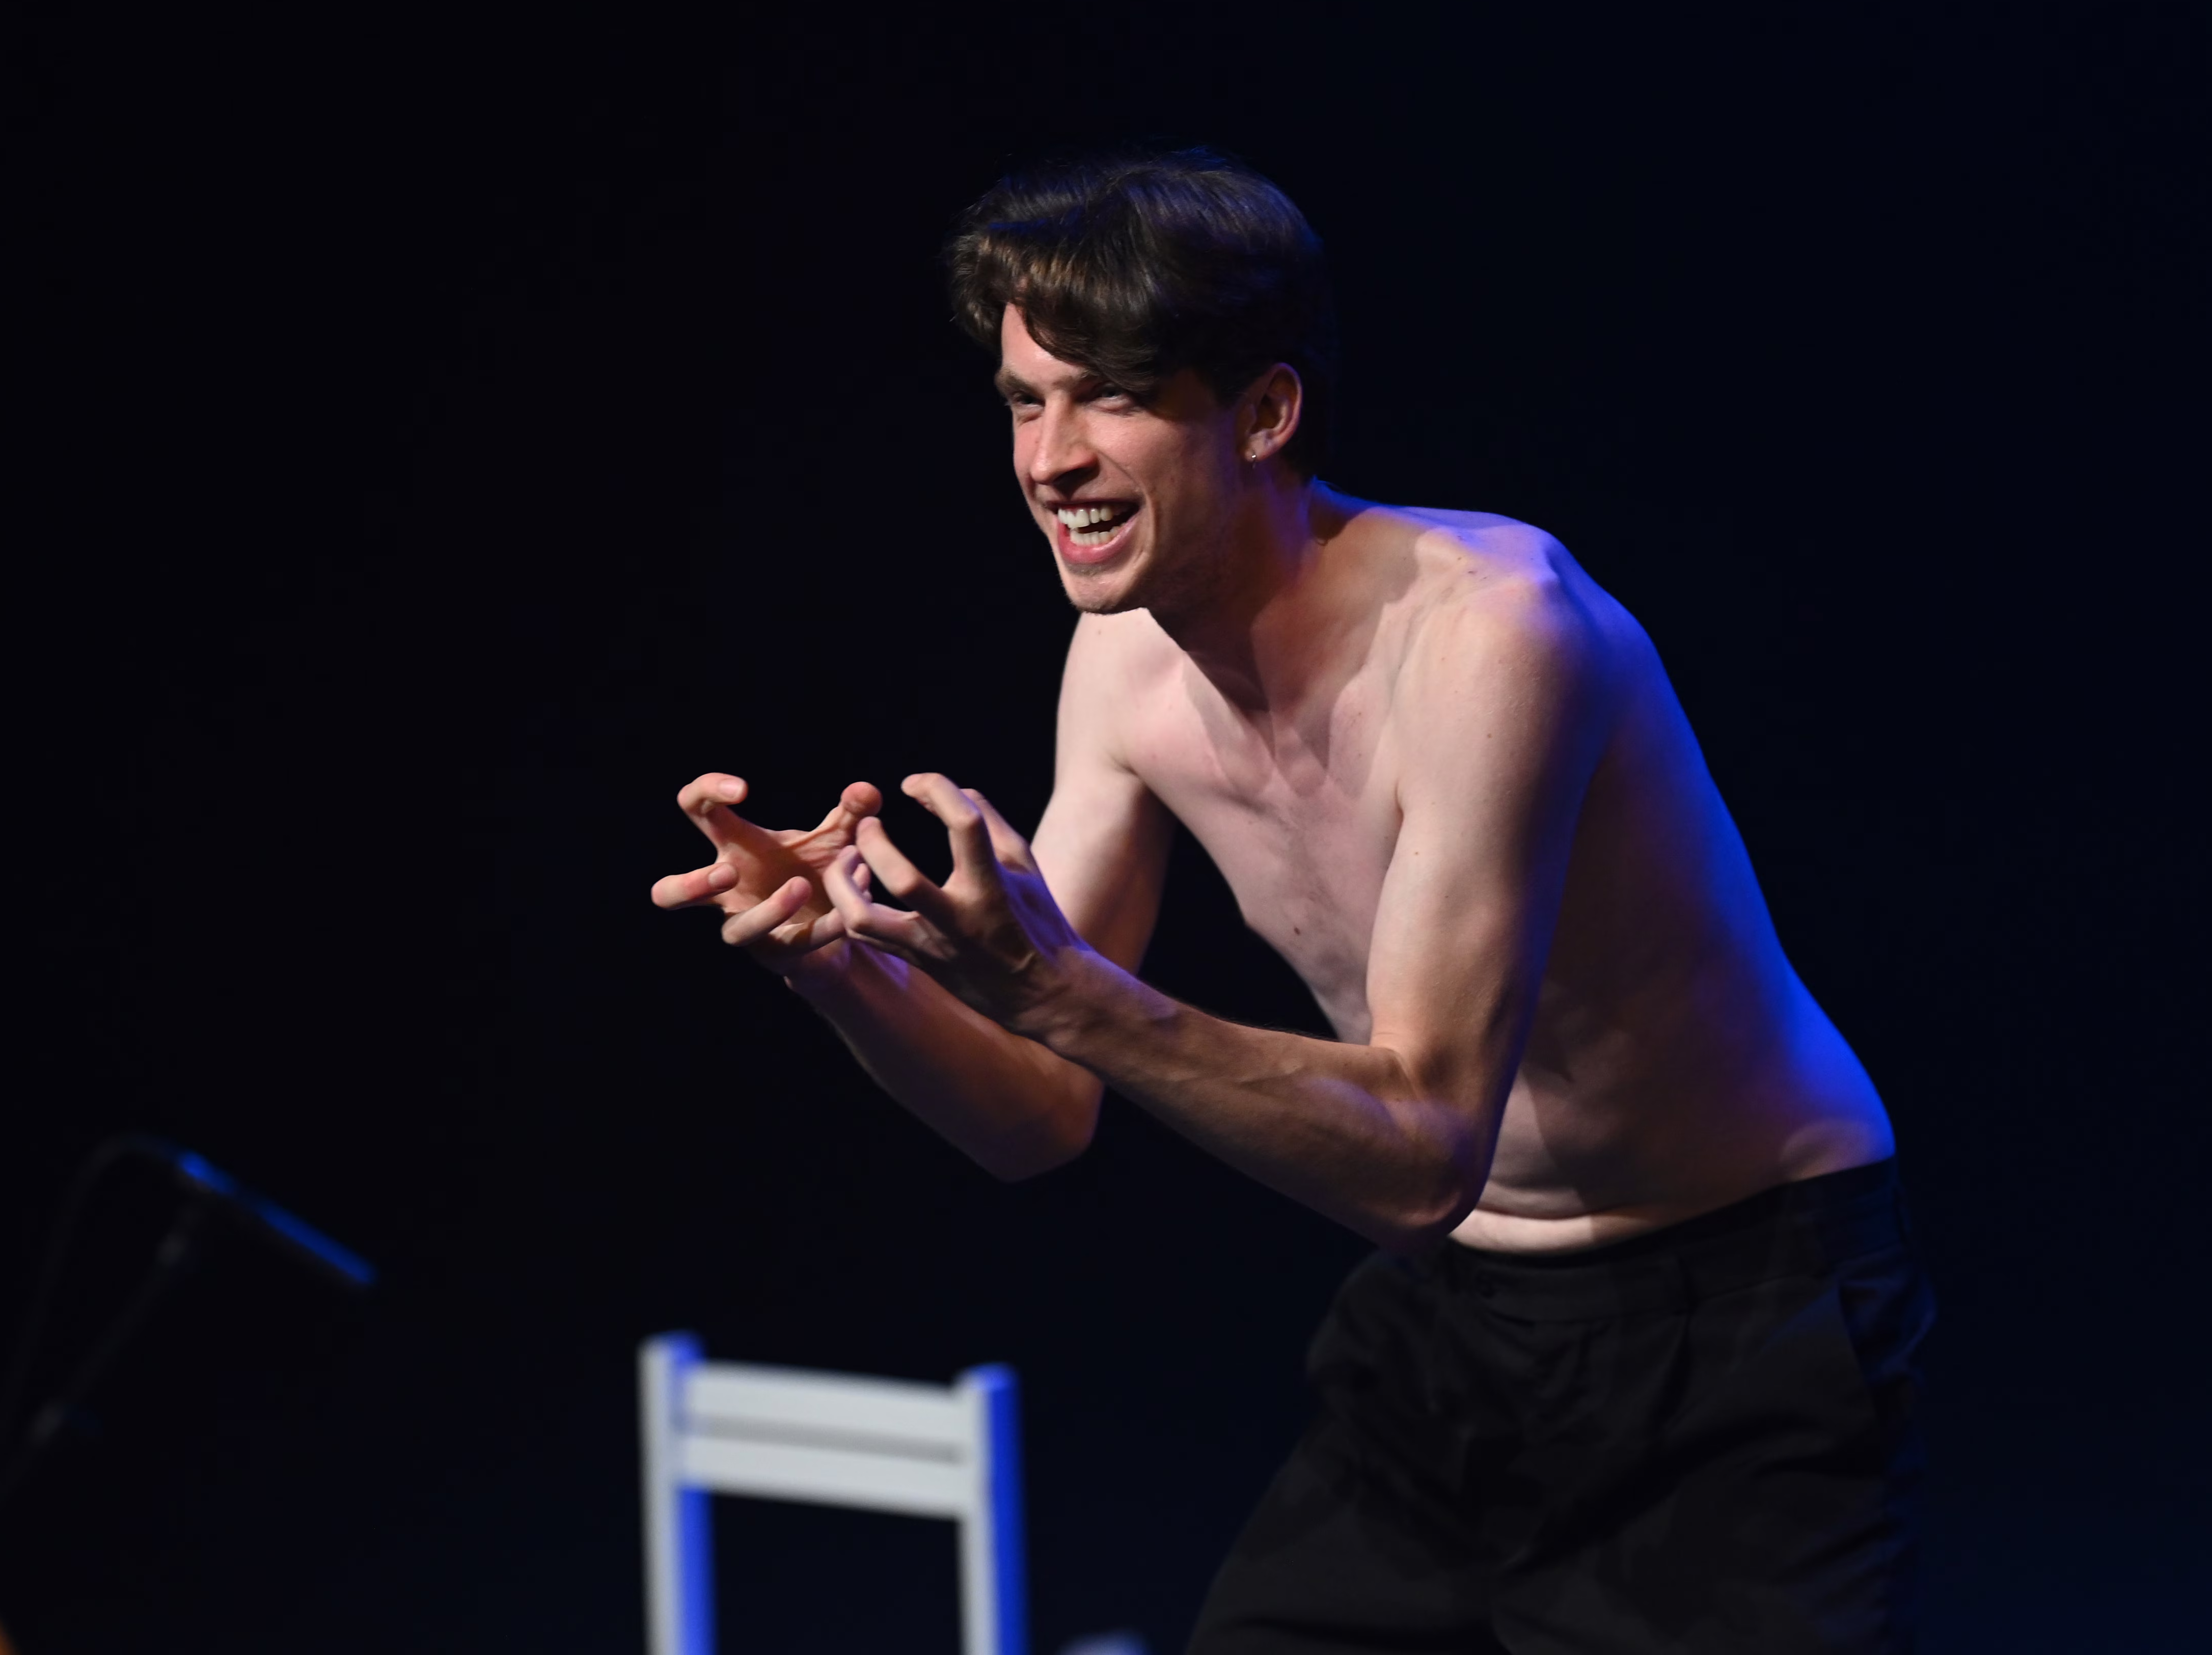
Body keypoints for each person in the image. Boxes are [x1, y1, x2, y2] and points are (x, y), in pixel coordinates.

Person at [650, 148, 1932, 1653]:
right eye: (1023, 402)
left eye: (1110, 397)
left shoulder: (1490, 635)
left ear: (1264, 412)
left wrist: (1059, 988)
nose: (1049, 459)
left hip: (1740, 1308)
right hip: (1457, 1316)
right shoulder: (1123, 663)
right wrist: (839, 966)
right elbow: (1035, 1114)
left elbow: (1421, 1150)